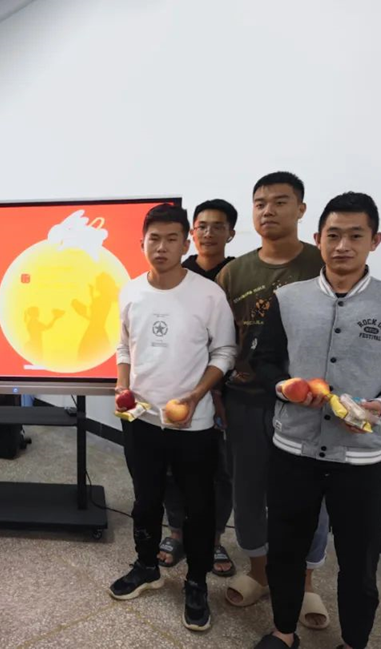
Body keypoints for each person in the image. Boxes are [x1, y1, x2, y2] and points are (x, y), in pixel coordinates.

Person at [251, 192, 381, 649]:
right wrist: (284, 387)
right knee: (285, 549)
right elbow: (265, 362)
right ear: (318, 238)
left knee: (359, 561)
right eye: (333, 235)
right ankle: (283, 631)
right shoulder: (288, 298)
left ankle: (353, 641)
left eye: (355, 235)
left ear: (375, 240)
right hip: (293, 450)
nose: (343, 246)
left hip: (363, 459)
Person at [109, 204, 236, 632]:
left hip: (193, 425)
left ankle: (196, 582)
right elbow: (124, 347)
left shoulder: (208, 295)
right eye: (154, 239)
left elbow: (225, 352)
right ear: (141, 243)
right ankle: (146, 566)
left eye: (171, 239)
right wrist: (121, 387)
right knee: (145, 499)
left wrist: (197, 395)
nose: (161, 247)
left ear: (186, 244)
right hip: (141, 419)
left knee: (199, 506)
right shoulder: (130, 291)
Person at [216, 172, 331, 628]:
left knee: (310, 497)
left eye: (280, 201)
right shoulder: (234, 272)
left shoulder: (322, 264)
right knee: (247, 492)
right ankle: (259, 573)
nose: (268, 210)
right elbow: (219, 341)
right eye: (260, 202)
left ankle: (305, 583)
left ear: (301, 209)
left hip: (308, 405)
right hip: (246, 400)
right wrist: (218, 395)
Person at [159, 199, 237, 577]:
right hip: (179, 389)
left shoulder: (238, 275)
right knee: (172, 468)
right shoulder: (177, 273)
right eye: (202, 226)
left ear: (231, 233)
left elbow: (231, 343)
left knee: (221, 470)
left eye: (218, 226)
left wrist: (218, 391)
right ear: (191, 234)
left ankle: (215, 538)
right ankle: (176, 532)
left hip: (228, 389)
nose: (209, 233)